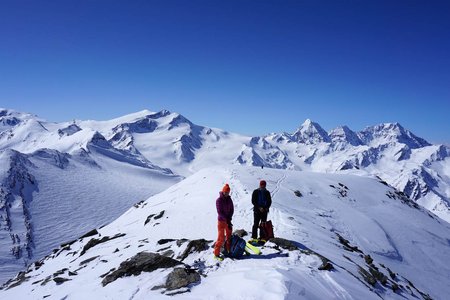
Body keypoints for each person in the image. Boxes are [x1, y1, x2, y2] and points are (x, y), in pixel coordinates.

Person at [214, 183, 234, 260]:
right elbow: (219, 212)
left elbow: (232, 209)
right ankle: (216, 254)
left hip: (228, 221)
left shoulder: (229, 199)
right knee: (221, 238)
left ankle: (228, 251)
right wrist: (227, 219)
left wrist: (229, 218)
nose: (226, 194)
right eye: (225, 192)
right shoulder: (218, 200)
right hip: (221, 222)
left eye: (228, 192)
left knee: (229, 237)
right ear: (223, 191)